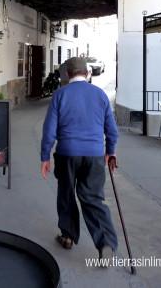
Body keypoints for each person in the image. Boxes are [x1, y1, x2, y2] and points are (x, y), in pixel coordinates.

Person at [40, 56, 118, 260]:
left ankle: (68, 236)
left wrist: (45, 156)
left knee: (66, 194)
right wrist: (111, 151)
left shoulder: (60, 94)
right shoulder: (100, 95)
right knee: (93, 198)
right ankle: (105, 244)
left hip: (67, 153)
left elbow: (49, 130)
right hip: (94, 155)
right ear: (88, 73)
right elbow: (112, 129)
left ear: (67, 74)